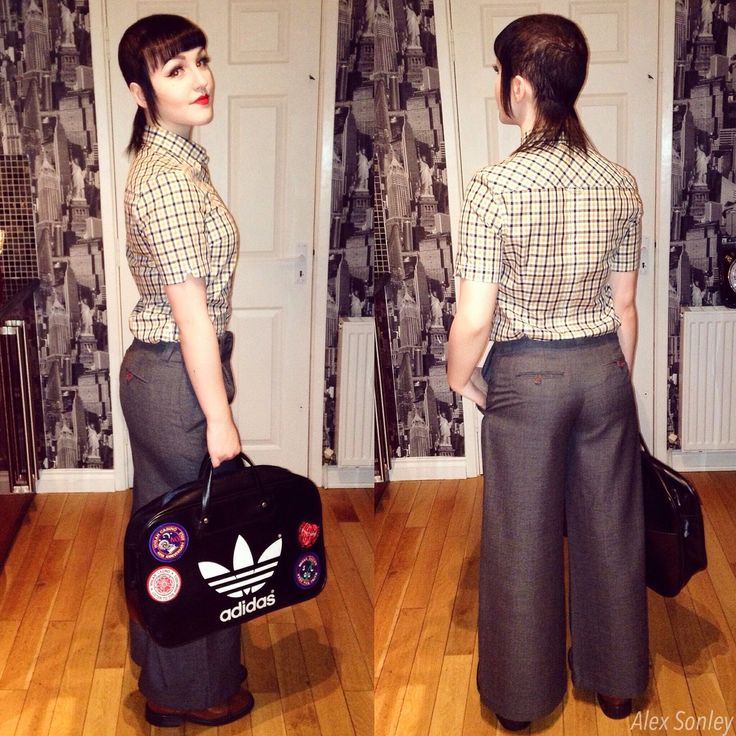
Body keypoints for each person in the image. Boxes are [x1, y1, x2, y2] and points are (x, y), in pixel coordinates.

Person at [447, 14, 648, 731]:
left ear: (522, 87)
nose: (501, 87)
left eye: (502, 75)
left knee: (521, 536)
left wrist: (458, 379)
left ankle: (523, 700)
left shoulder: (493, 187)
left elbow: (475, 318)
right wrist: (608, 378)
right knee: (609, 525)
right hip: (601, 368)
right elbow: (625, 307)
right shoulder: (620, 183)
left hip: (526, 377)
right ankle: (618, 682)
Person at [117, 15, 253, 728]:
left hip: (163, 374)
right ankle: (184, 691)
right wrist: (220, 418)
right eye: (174, 70)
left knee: (160, 522)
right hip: (178, 376)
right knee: (200, 539)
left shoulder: (176, 161)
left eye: (200, 60)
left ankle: (157, 655)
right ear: (143, 92)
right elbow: (193, 313)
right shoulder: (168, 179)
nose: (198, 78)